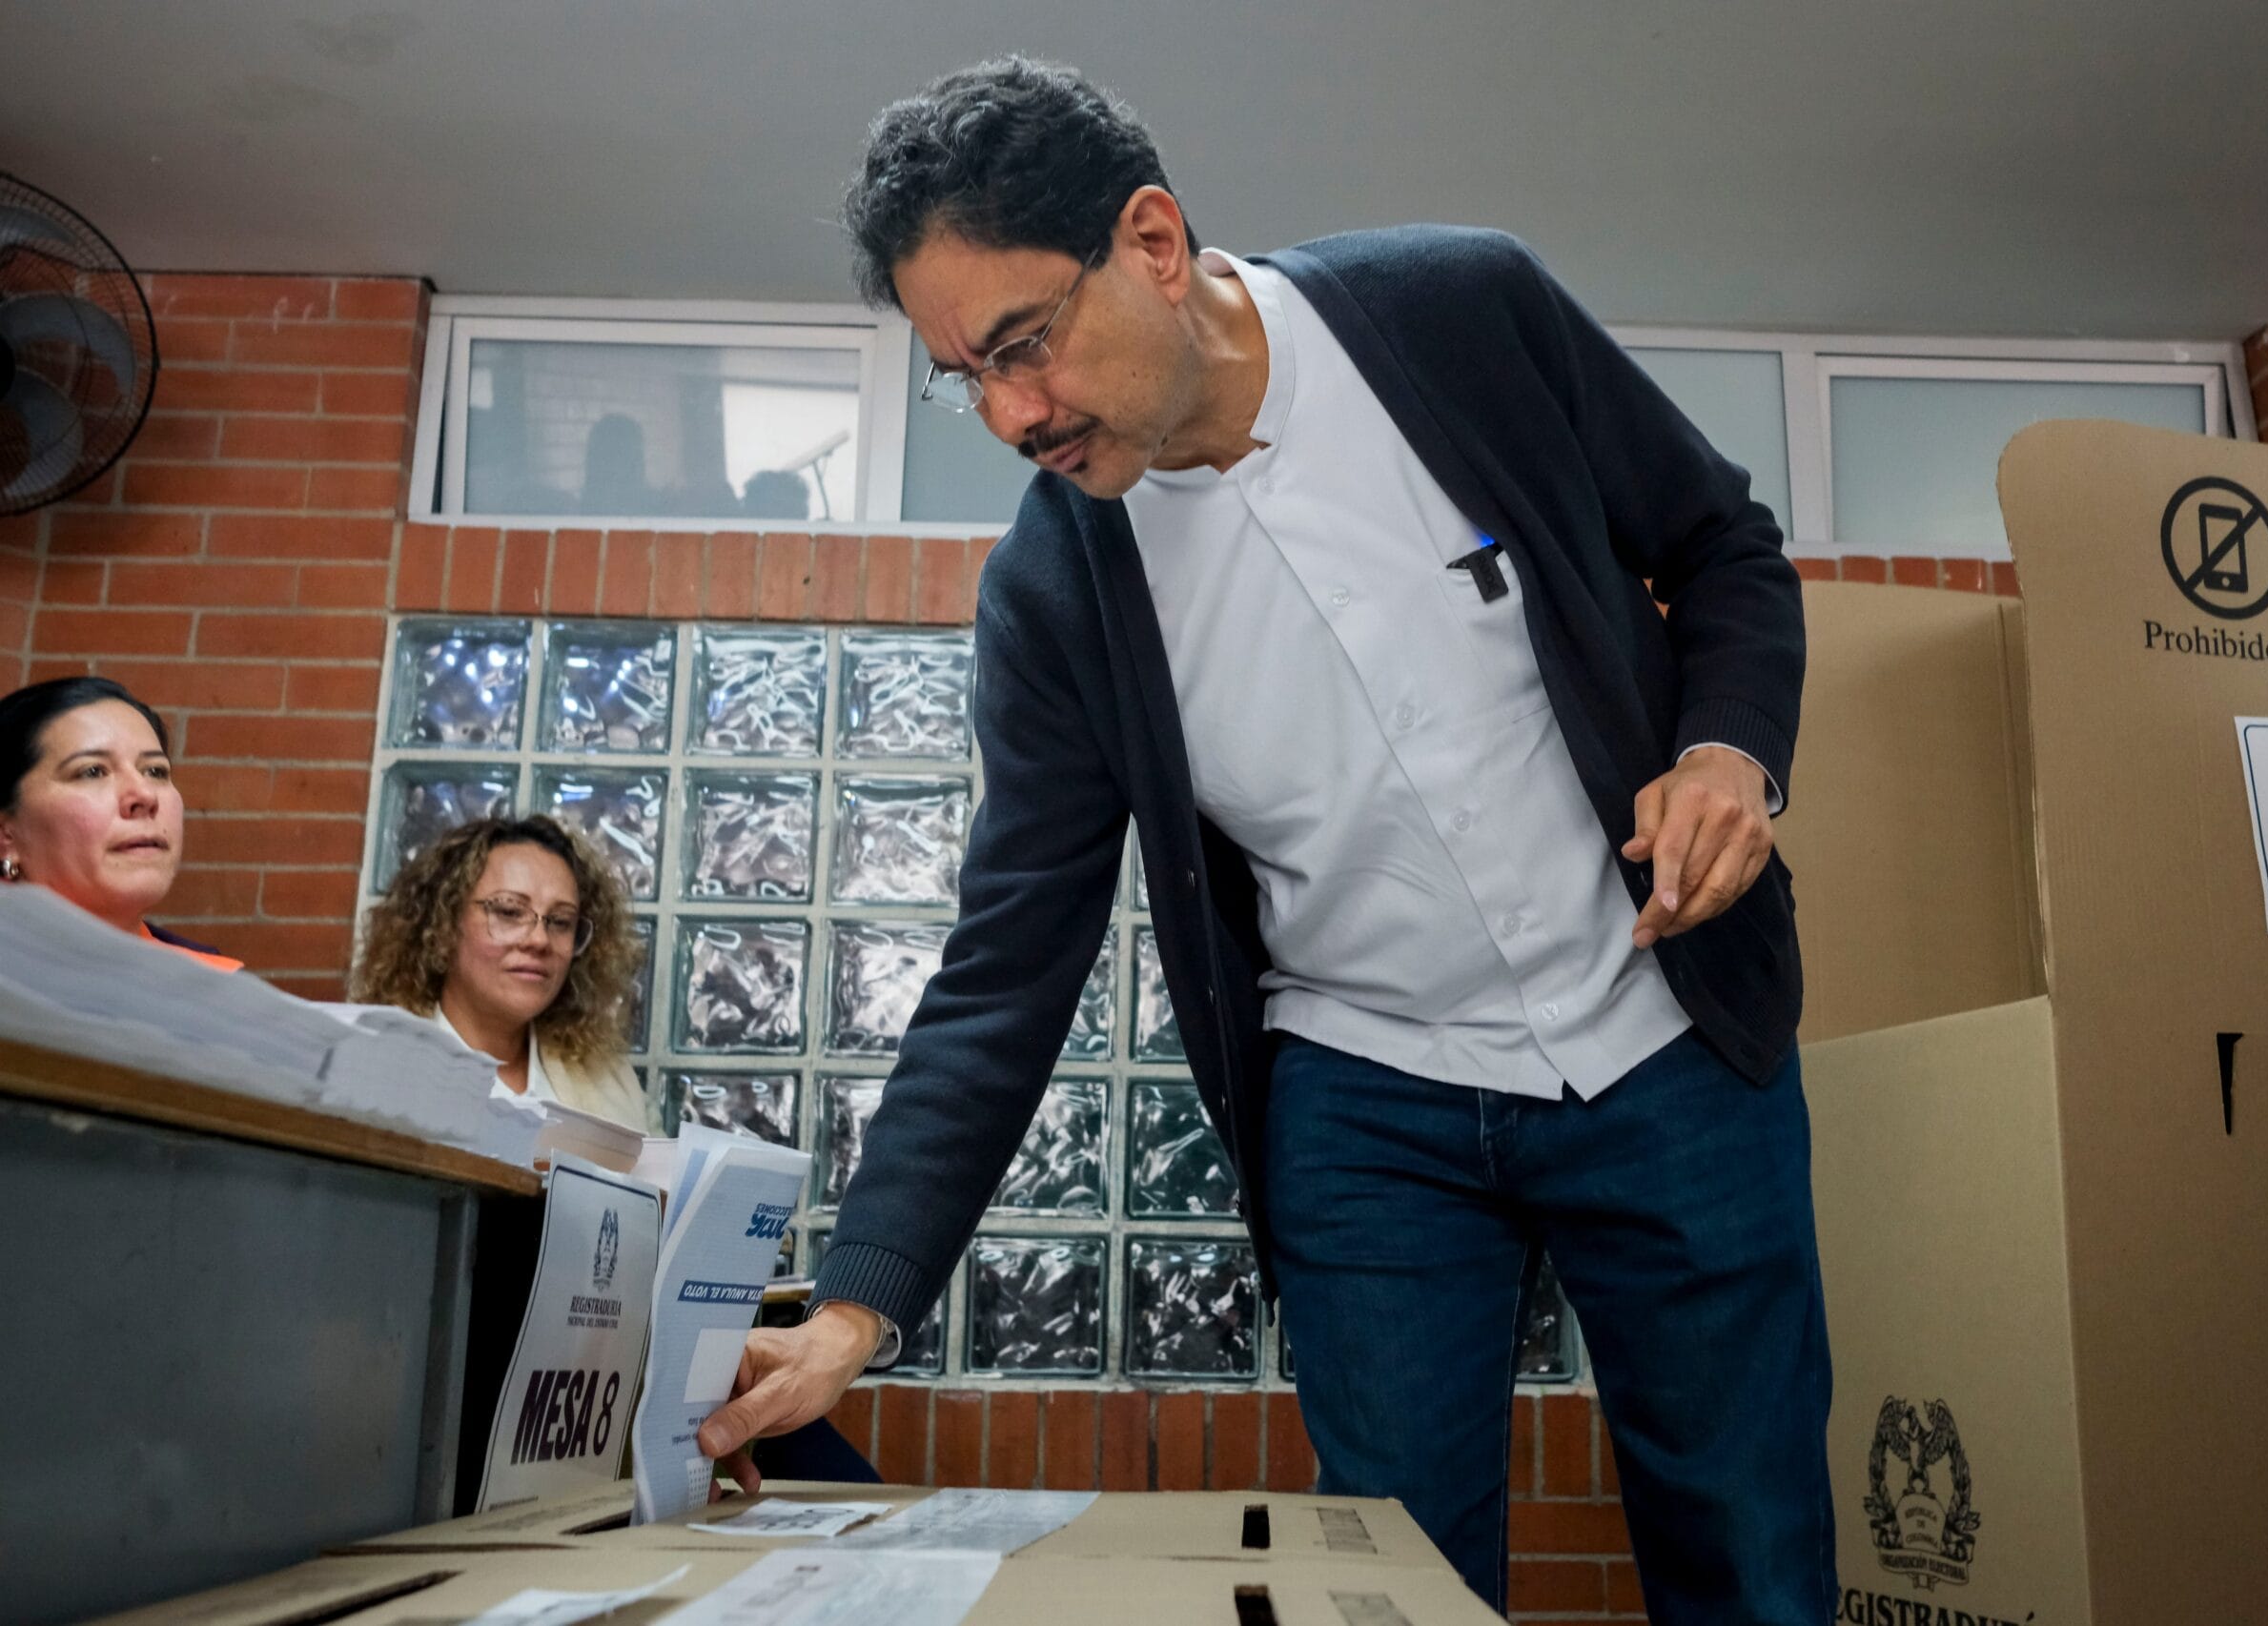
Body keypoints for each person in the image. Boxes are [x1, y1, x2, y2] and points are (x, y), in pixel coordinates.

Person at [701, 58, 1829, 1623]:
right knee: (1393, 1584)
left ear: (1152, 243)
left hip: (1661, 1039)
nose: (1012, 413)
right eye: (967, 375)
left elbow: (1724, 549)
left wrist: (1725, 754)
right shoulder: (1057, 591)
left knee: (1753, 1553)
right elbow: (1007, 960)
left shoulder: (1456, 312)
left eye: (1026, 343)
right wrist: (853, 1309)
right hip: (1372, 1110)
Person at [350, 815, 649, 1130]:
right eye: (509, 912)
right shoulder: (368, 1067)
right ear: (444, 923)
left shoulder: (612, 1083)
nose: (539, 940)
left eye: (561, 921)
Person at [0, 675, 240, 970]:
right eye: (92, 771)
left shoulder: (213, 986)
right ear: (5, 835)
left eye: (155, 771)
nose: (145, 795)